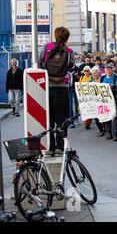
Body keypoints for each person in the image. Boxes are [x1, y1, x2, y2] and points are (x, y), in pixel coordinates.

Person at [38, 26, 75, 157]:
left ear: (55, 35)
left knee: (49, 118)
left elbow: (40, 63)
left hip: (48, 86)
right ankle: (60, 146)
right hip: (62, 88)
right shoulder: (69, 51)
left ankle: (50, 146)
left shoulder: (46, 47)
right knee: (62, 119)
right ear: (67, 38)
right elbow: (71, 66)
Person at [100, 62, 117, 142]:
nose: (108, 70)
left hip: (115, 100)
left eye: (110, 68)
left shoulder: (116, 77)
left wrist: (113, 86)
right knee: (106, 116)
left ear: (112, 69)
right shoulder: (103, 78)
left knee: (114, 117)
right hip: (105, 101)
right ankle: (109, 133)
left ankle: (115, 135)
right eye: (107, 69)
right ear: (105, 70)